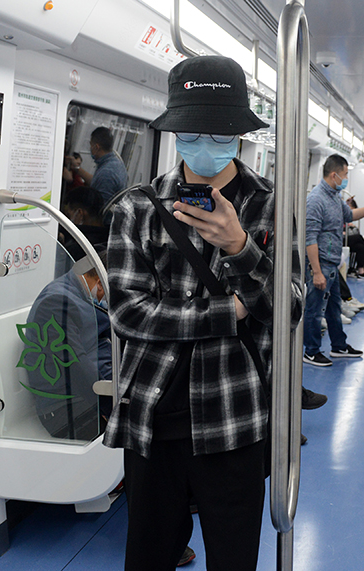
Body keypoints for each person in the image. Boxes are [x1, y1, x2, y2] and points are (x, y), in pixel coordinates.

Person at [105, 55, 301, 571]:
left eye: (220, 135)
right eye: (192, 135)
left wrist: (240, 247)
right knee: (148, 556)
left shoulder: (271, 207)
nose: (205, 146)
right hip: (154, 411)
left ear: (239, 136)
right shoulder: (137, 208)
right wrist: (227, 311)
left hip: (235, 412)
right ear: (175, 134)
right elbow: (128, 313)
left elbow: (288, 311)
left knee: (233, 557)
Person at [23, 250, 112, 441]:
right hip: (65, 409)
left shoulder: (79, 294)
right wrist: (109, 406)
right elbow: (76, 365)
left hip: (88, 391)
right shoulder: (56, 303)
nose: (107, 299)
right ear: (100, 282)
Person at [302, 154, 364, 366]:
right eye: (345, 174)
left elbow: (350, 215)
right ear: (334, 175)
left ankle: (338, 346)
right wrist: (316, 271)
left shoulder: (334, 196)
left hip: (332, 263)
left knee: (334, 308)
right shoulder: (316, 200)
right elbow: (310, 238)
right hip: (321, 264)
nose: (346, 179)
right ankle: (311, 351)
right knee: (315, 310)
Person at [88, 127, 128, 202]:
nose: (90, 148)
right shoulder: (116, 162)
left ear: (96, 147)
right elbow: (96, 182)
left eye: (91, 145)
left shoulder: (107, 173)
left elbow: (101, 206)